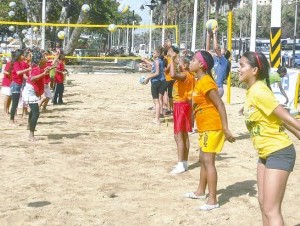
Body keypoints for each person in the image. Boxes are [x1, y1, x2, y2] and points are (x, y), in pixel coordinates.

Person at [239, 51, 300, 225]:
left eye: (243, 65)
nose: (239, 69)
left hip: (279, 152)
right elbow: (277, 119)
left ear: (255, 70)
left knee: (272, 210)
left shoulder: (259, 91)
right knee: (263, 203)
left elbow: (287, 117)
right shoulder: (251, 91)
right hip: (265, 153)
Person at [184, 50, 235, 211]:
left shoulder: (206, 81)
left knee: (208, 161)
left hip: (212, 126)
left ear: (201, 65)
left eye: (192, 60)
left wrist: (225, 128)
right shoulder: (200, 80)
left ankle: (213, 200)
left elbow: (220, 104)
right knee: (202, 159)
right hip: (205, 127)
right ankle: (200, 191)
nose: (190, 62)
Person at [169, 50, 195, 174]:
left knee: (179, 135)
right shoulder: (190, 74)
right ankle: (184, 162)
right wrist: (174, 58)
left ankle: (180, 163)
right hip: (184, 105)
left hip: (181, 105)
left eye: (179, 63)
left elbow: (173, 74)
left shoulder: (185, 75)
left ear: (185, 66)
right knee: (184, 135)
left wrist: (171, 59)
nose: (177, 64)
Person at [22, 48, 50, 141]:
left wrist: (46, 70)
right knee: (36, 112)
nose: (45, 58)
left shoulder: (39, 68)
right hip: (30, 91)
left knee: (34, 111)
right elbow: (33, 78)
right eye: (43, 58)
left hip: (31, 91)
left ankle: (29, 126)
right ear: (39, 61)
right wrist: (43, 74)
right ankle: (31, 134)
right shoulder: (37, 68)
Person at [206, 28, 231, 97]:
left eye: (221, 49)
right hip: (211, 87)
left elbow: (216, 49)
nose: (219, 49)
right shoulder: (215, 59)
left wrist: (214, 34)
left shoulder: (224, 61)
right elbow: (207, 50)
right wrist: (208, 35)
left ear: (224, 53)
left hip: (218, 89)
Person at [9, 49, 32, 124]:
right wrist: (28, 69)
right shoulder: (16, 63)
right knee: (15, 103)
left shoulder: (19, 63)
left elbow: (22, 74)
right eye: (22, 55)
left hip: (19, 84)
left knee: (16, 103)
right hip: (15, 85)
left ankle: (13, 118)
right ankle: (11, 119)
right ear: (19, 56)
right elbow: (18, 72)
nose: (23, 56)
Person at [144, 48, 165, 124]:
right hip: (161, 81)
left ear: (158, 54)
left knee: (156, 101)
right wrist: (144, 61)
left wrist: (148, 78)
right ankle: (158, 117)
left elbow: (157, 73)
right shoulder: (159, 61)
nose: (153, 54)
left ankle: (157, 119)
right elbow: (153, 66)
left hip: (156, 82)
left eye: (154, 53)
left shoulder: (157, 61)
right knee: (158, 101)